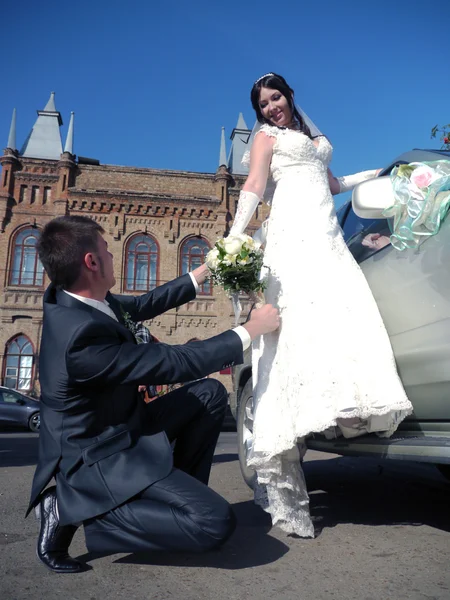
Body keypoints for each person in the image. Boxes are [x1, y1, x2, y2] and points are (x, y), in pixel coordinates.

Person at [27, 215, 279, 573]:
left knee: (208, 394)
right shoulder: (78, 339)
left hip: (127, 425)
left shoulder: (83, 300)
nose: (114, 257)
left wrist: (206, 271)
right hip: (99, 457)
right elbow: (172, 362)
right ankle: (76, 508)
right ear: (92, 262)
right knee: (213, 524)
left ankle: (170, 494)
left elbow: (145, 304)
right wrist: (250, 330)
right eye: (108, 251)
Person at [228, 72, 413, 537]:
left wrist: (378, 175)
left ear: (290, 96)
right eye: (263, 103)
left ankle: (340, 409)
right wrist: (235, 237)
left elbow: (332, 183)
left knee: (343, 315)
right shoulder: (267, 138)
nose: (271, 107)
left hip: (327, 235)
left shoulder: (309, 137)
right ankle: (284, 465)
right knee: (297, 330)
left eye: (276, 98)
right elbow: (253, 184)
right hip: (294, 234)